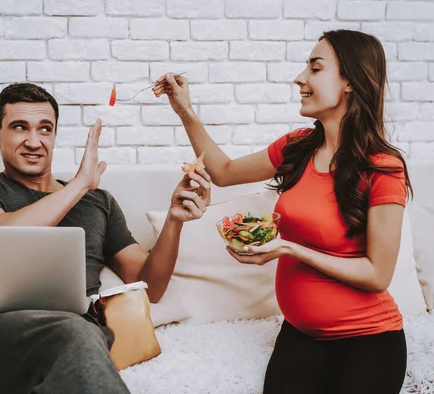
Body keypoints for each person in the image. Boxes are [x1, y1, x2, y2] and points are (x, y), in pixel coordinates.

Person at [155, 29, 411, 394]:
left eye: (315, 68)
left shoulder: (383, 167)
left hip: (369, 341)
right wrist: (185, 111)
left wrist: (290, 249)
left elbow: (377, 274)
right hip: (301, 335)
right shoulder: (297, 147)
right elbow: (224, 172)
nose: (300, 78)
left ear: (351, 82)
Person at [0, 83, 212, 394]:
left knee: (80, 334)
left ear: (55, 136)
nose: (34, 141)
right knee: (77, 333)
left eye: (45, 129)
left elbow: (150, 287)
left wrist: (174, 220)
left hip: (77, 338)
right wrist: (80, 184)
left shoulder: (98, 202)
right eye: (19, 127)